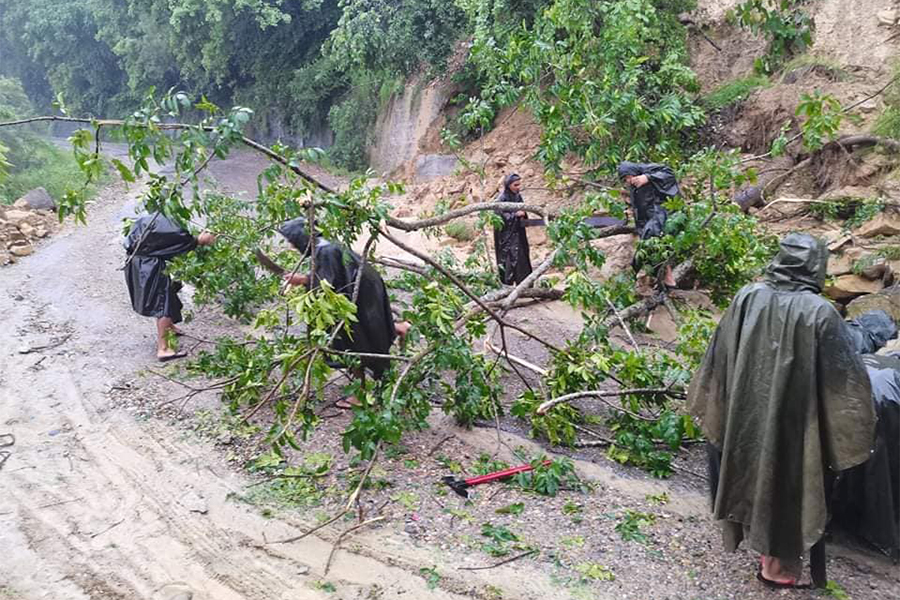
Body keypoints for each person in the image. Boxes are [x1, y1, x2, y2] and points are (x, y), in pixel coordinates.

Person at [687, 232, 875, 589]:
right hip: (796, 421)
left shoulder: (747, 297)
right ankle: (777, 569)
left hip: (746, 416)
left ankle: (764, 554)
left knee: (754, 473)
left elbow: (719, 357)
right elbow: (845, 383)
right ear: (815, 267)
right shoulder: (821, 312)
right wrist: (847, 432)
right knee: (791, 482)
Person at [279, 218, 410, 408]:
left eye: (292, 241)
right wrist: (305, 279)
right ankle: (400, 328)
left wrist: (303, 281)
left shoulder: (325, 251)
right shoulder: (324, 245)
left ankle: (359, 394)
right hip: (365, 287)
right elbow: (332, 277)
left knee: (351, 342)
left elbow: (326, 285)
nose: (291, 245)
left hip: (361, 291)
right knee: (370, 326)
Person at [124, 213, 216, 361]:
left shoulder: (150, 221)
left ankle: (170, 328)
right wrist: (198, 241)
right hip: (149, 268)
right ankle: (164, 349)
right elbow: (179, 241)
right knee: (163, 303)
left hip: (139, 263)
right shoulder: (165, 225)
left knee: (168, 295)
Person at [617, 161, 679, 288]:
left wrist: (648, 178)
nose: (628, 180)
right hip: (650, 220)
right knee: (651, 246)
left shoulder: (646, 170)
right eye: (625, 179)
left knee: (650, 243)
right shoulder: (633, 188)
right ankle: (664, 281)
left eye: (628, 176)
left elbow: (669, 174)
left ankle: (633, 274)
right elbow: (639, 210)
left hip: (661, 213)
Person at [493, 173, 533, 285]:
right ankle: (507, 286)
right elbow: (499, 218)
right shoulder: (501, 199)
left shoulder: (518, 196)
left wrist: (523, 215)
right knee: (508, 261)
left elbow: (523, 213)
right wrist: (515, 215)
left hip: (518, 234)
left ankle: (524, 285)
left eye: (519, 185)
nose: (518, 187)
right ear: (509, 185)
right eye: (516, 185)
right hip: (506, 237)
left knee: (522, 258)